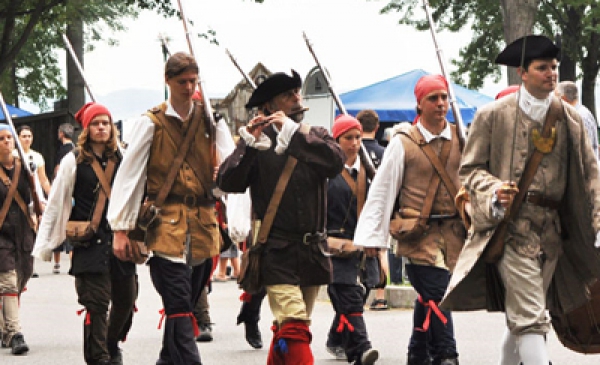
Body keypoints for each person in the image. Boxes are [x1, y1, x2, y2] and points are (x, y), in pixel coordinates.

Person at [440, 35, 600, 365]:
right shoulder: (492, 115)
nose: (551, 74)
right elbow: (470, 171)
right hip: (511, 230)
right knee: (531, 319)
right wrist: (494, 193)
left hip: (553, 235)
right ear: (522, 73)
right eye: (543, 68)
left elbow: (590, 176)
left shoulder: (571, 121)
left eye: (554, 68)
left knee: (521, 322)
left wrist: (597, 222)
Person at [107, 52, 234, 365]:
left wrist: (224, 174)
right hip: (165, 225)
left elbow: (231, 176)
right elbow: (130, 177)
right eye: (182, 81)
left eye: (193, 81)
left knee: (184, 307)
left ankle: (167, 360)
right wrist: (121, 229)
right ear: (168, 81)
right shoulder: (150, 123)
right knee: (178, 304)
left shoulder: (211, 122)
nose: (189, 87)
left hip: (204, 226)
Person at [217, 69, 344, 364]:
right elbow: (227, 182)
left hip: (313, 250)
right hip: (276, 251)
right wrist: (247, 145)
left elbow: (334, 163)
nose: (297, 98)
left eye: (297, 92)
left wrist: (294, 133)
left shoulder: (316, 136)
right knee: (295, 325)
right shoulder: (256, 142)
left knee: (291, 328)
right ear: (270, 108)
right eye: (288, 95)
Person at [354, 74, 464, 365]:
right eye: (433, 98)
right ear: (420, 103)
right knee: (439, 295)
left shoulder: (462, 138)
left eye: (443, 97)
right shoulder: (403, 143)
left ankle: (417, 354)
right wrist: (373, 242)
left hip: (455, 237)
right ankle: (447, 355)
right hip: (418, 237)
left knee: (430, 296)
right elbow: (382, 193)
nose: (441, 104)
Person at [32, 102, 137, 365]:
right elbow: (57, 202)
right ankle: (98, 358)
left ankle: (111, 344)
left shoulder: (122, 157)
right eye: (95, 123)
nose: (101, 127)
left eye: (105, 123)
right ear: (87, 128)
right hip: (89, 245)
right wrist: (46, 244)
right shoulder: (73, 160)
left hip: (119, 242)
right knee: (97, 306)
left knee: (126, 300)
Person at [325, 114, 380, 365]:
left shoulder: (369, 173)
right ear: (337, 140)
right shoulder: (326, 172)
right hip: (334, 245)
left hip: (364, 243)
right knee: (349, 296)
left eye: (358, 137)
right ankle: (360, 348)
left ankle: (337, 339)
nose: (355, 142)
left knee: (363, 289)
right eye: (349, 137)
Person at [0, 124, 36, 356]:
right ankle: (15, 333)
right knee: (9, 282)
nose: (6, 142)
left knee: (20, 279)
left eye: (8, 138)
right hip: (1, 234)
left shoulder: (24, 168)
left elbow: (37, 195)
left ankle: (4, 327)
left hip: (23, 232)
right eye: (1, 138)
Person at [355, 109, 395, 310]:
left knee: (356, 250)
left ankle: (357, 290)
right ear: (377, 127)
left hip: (358, 206)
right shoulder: (386, 152)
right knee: (382, 252)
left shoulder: (354, 151)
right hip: (381, 208)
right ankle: (380, 296)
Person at [51, 122, 76, 274]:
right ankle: (73, 261)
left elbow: (59, 170)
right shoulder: (75, 149)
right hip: (74, 192)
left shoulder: (62, 151)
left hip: (63, 191)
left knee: (59, 223)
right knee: (73, 225)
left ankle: (57, 263)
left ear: (61, 134)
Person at [555, 81, 599, 159]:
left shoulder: (581, 116)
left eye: (555, 97)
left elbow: (585, 151)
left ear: (563, 98)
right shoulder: (574, 114)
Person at [16, 125, 51, 196]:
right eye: (24, 136)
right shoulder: (13, 155)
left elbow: (43, 179)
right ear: (18, 138)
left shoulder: (37, 156)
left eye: (29, 136)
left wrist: (51, 195)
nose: (27, 139)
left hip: (36, 196)